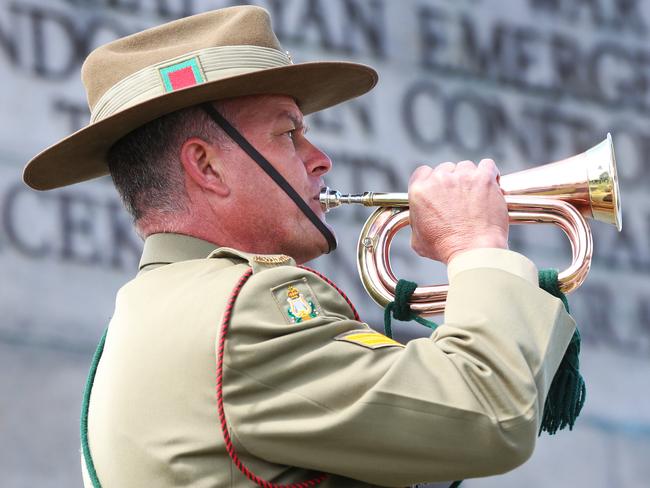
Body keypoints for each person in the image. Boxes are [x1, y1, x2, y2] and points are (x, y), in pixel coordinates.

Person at [23, 6, 575, 488]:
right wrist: (475, 244)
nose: (320, 158)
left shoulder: (157, 310)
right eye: (289, 133)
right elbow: (488, 416)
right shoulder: (247, 309)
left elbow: (424, 457)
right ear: (207, 166)